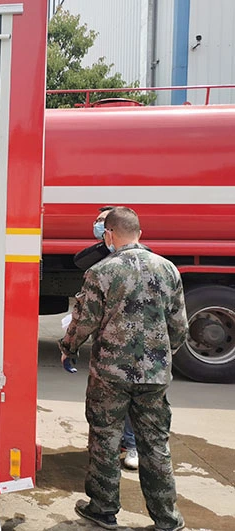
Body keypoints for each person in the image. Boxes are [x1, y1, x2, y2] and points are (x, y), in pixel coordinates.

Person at [59, 207, 187, 531]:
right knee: (155, 444)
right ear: (139, 234)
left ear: (109, 235)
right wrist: (161, 356)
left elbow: (84, 321)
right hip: (154, 376)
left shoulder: (101, 271)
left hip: (110, 375)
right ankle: (167, 519)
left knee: (105, 439)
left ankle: (102, 510)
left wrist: (68, 349)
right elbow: (180, 327)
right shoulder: (168, 269)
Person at [73, 206, 139, 471]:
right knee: (110, 408)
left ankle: (130, 446)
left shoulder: (144, 263)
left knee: (128, 402)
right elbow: (78, 260)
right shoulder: (100, 260)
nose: (98, 226)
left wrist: (69, 345)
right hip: (110, 348)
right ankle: (116, 448)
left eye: (103, 223)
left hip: (133, 349)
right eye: (96, 222)